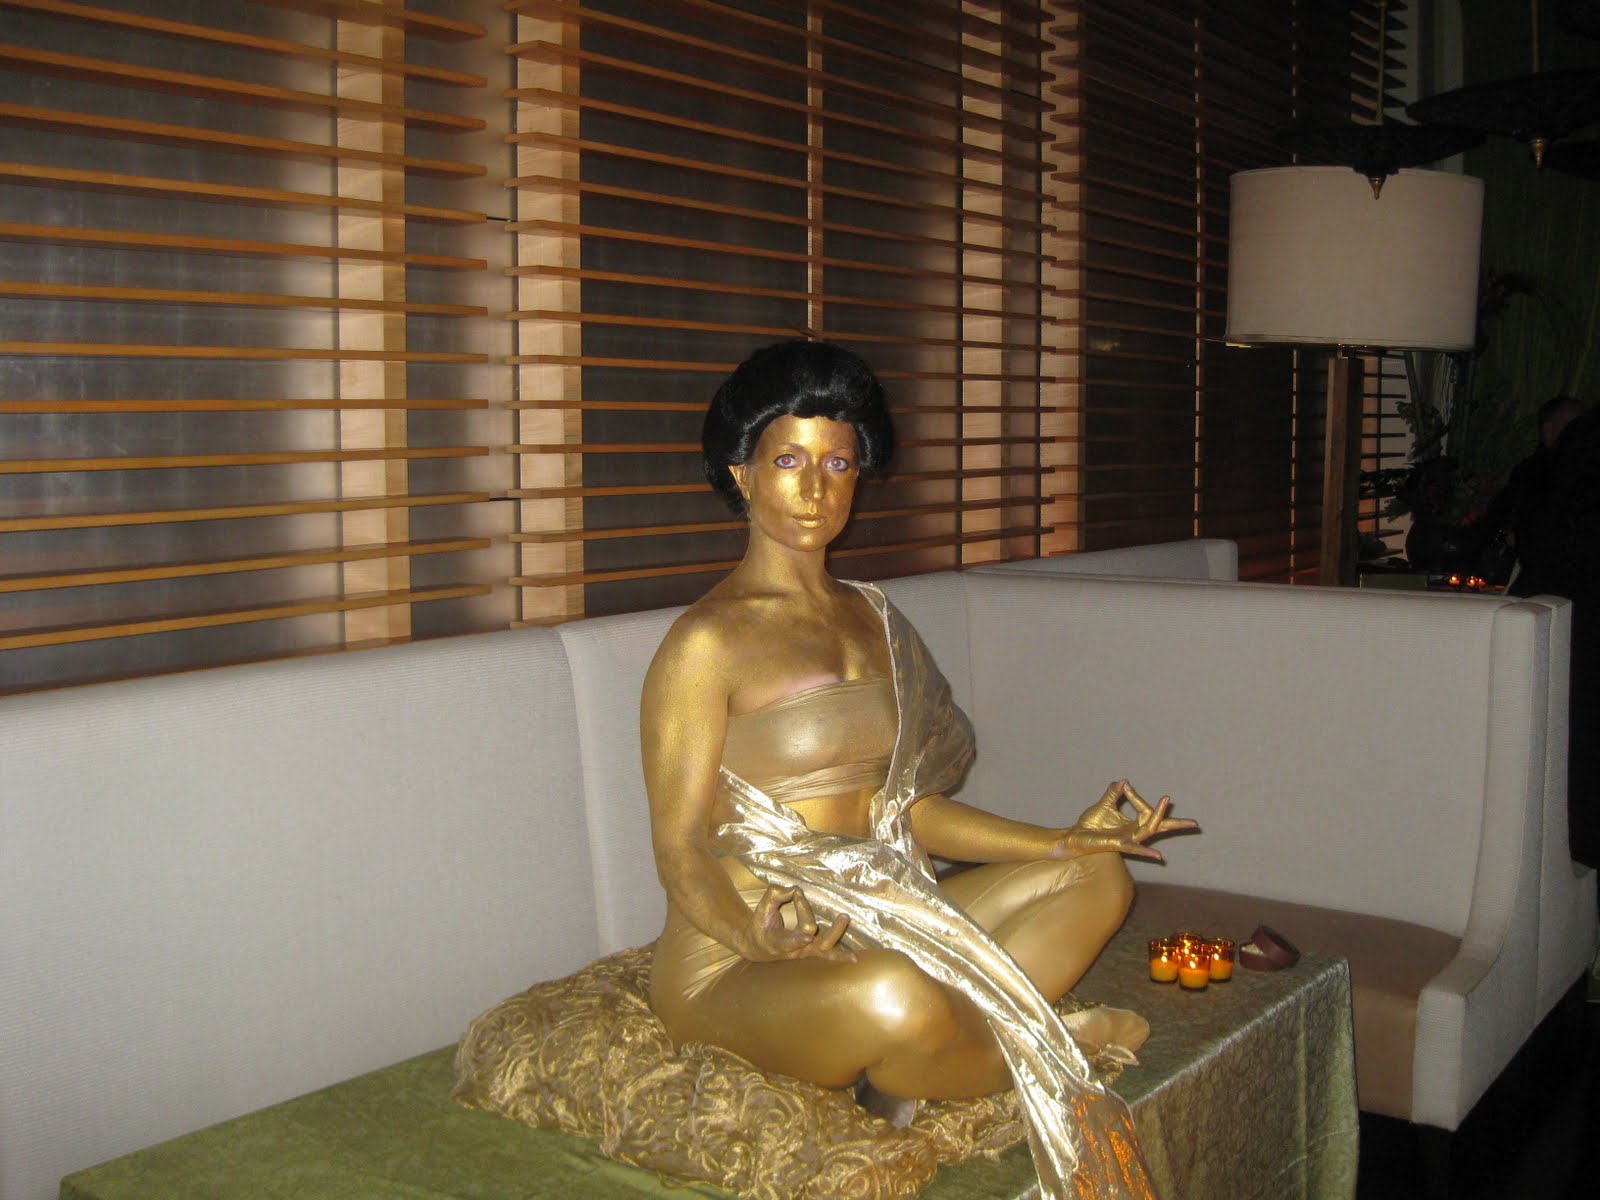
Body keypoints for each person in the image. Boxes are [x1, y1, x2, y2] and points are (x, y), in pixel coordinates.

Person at [641, 340, 1196, 1199]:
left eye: (838, 463)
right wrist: (753, 935)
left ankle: (933, 1056)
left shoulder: (875, 619)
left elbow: (907, 812)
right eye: (788, 461)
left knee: (1098, 878)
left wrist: (1061, 841)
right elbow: (677, 847)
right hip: (745, 954)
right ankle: (1036, 1043)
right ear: (741, 474)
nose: (815, 488)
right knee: (896, 996)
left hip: (887, 905)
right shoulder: (704, 644)